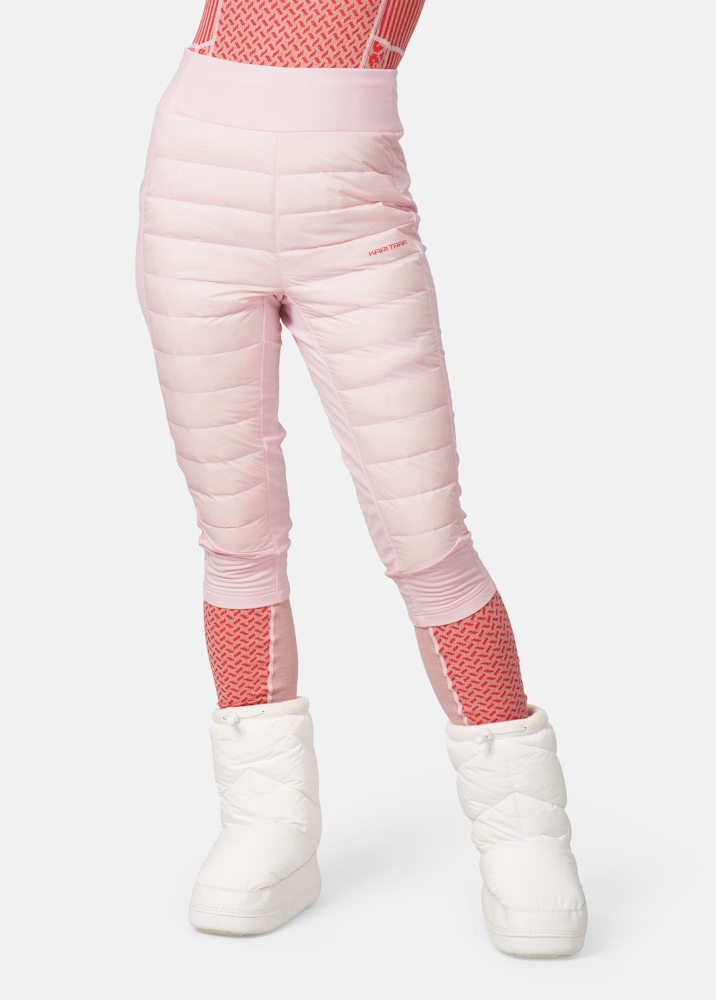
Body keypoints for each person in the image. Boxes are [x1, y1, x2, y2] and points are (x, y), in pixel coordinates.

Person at [134, 0, 587, 956]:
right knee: (236, 535)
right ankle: (266, 821)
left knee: (429, 541)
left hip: (352, 216)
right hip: (192, 199)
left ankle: (522, 827)